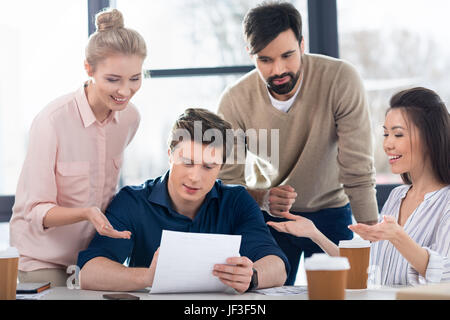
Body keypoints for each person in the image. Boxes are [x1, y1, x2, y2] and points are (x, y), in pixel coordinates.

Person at [217, 1, 378, 284]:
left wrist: (374, 239)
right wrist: (263, 198)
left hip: (331, 212)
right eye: (265, 60)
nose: (278, 69)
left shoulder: (341, 79)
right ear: (250, 55)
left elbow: (358, 170)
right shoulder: (234, 100)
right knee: (263, 294)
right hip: (269, 219)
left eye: (287, 55)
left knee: (350, 289)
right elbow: (227, 182)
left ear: (302, 44)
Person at [77, 108, 289, 293]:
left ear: (221, 167)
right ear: (170, 155)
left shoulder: (236, 201)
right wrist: (149, 277)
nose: (195, 177)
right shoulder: (132, 201)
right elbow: (88, 273)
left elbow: (277, 266)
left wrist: (251, 277)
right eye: (187, 162)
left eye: (208, 167)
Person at [9, 8, 147, 286]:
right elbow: (35, 211)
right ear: (89, 69)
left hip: (94, 260)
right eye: (112, 79)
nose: (124, 91)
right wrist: (86, 212)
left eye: (134, 79)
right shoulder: (51, 121)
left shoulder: (130, 119)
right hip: (41, 261)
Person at [268, 87, 450, 285]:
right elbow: (368, 268)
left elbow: (444, 276)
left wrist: (398, 236)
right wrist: (314, 233)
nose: (387, 144)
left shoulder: (446, 202)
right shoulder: (398, 196)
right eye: (386, 134)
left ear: (429, 138)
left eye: (398, 135)